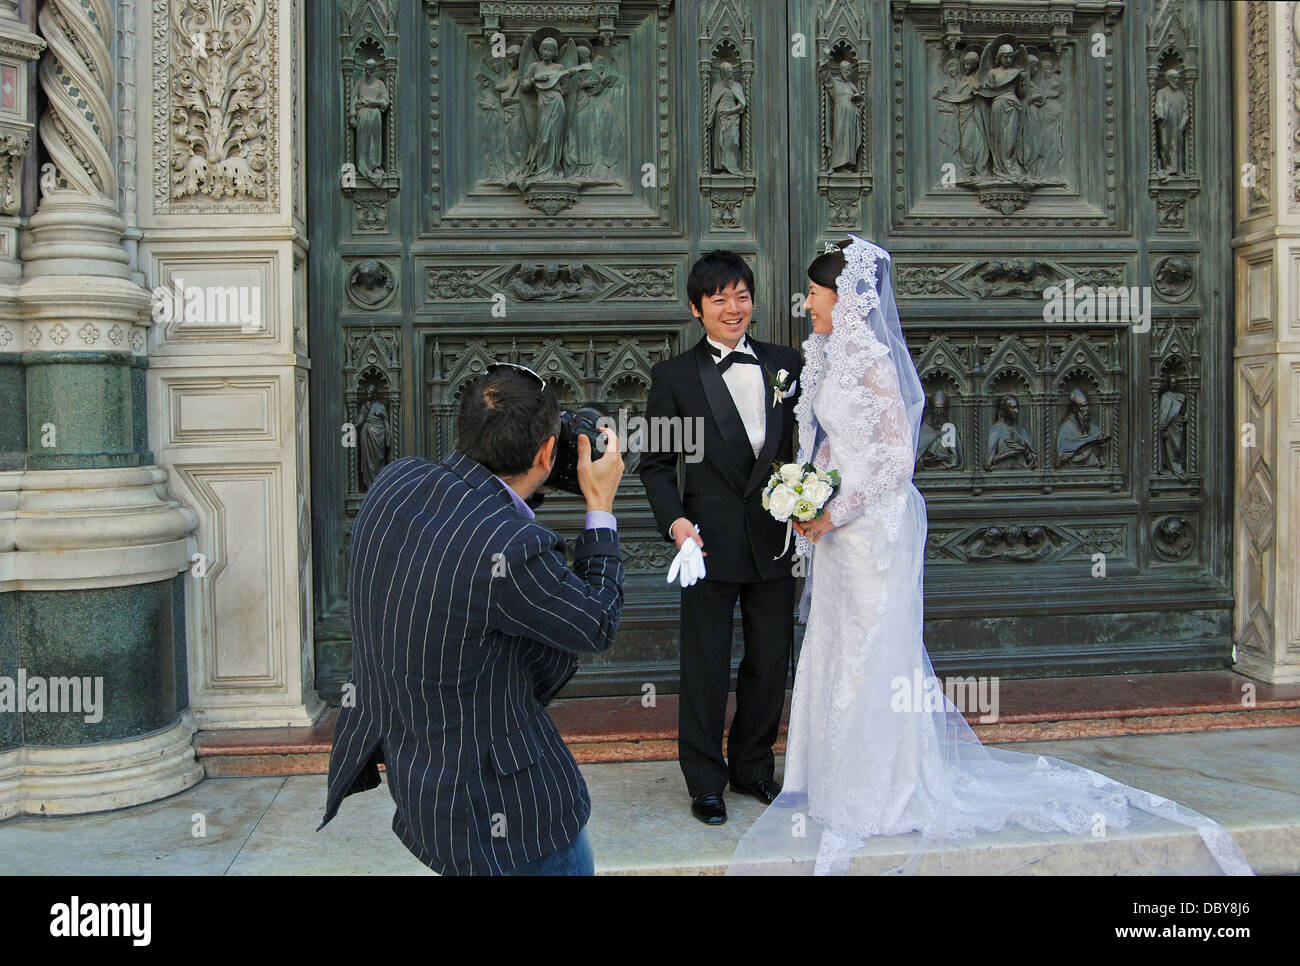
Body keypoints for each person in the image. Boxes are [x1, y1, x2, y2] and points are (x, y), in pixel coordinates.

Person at [727, 236, 1252, 876]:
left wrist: (835, 510)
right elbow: (835, 442)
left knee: (873, 651)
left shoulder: (873, 362)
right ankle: (834, 780)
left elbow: (895, 460)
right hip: (838, 530)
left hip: (876, 527)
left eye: (814, 293)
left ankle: (883, 788)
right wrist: (810, 497)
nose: (806, 304)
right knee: (838, 643)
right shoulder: (830, 355)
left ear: (845, 298)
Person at [319, 364, 626, 875]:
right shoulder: (511, 547)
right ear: (549, 454)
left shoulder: (395, 481)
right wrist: (599, 506)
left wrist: (529, 480)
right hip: (510, 813)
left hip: (423, 781)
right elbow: (596, 621)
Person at [639, 250, 802, 826]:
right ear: (696, 308)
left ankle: (754, 767)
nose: (733, 309)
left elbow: (807, 451)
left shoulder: (789, 365)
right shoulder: (674, 377)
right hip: (706, 545)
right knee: (706, 664)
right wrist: (676, 523)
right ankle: (705, 780)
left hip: (778, 540)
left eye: (741, 296)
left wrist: (811, 500)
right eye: (719, 299)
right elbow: (655, 466)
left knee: (769, 659)